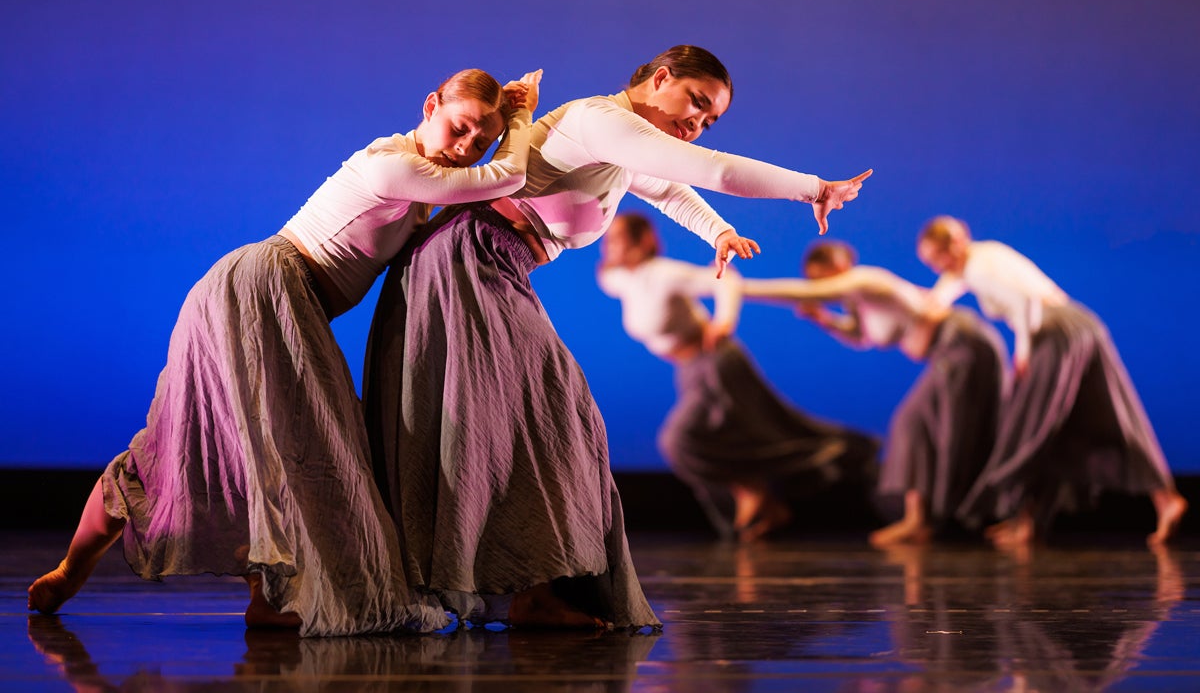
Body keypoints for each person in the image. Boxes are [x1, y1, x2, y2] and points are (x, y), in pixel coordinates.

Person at [363, 45, 873, 630]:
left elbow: (667, 187)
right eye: (696, 104)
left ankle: (532, 588)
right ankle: (530, 591)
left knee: (537, 418)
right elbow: (714, 170)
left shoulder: (619, 141)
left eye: (710, 120)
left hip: (486, 264)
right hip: (468, 261)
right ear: (660, 78)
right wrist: (814, 187)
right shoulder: (599, 121)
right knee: (550, 414)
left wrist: (720, 230)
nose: (697, 123)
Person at [27, 69, 543, 636]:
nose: (467, 146)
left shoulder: (420, 184)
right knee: (282, 449)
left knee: (251, 448)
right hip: (266, 289)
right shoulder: (392, 165)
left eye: (480, 139)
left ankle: (245, 591)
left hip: (272, 298)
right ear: (430, 106)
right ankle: (86, 570)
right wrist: (519, 119)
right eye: (460, 128)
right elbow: (505, 177)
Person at [597, 213, 878, 542]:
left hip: (716, 364)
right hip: (690, 371)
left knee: (683, 440)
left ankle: (756, 491)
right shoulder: (624, 280)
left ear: (644, 240)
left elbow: (726, 280)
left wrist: (725, 320)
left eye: (618, 238)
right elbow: (605, 275)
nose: (610, 245)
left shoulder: (664, 274)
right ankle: (763, 504)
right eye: (608, 238)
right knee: (733, 438)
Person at [917, 215, 1188, 547]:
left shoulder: (978, 267)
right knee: (1100, 416)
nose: (936, 268)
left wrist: (1023, 350)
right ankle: (1163, 500)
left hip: (1052, 333)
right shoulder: (984, 255)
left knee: (1029, 424)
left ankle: (1024, 519)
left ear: (954, 246)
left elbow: (1024, 301)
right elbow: (944, 291)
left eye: (937, 259)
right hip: (1081, 325)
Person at [740, 240, 1007, 547]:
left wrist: (740, 288)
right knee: (924, 425)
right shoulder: (859, 298)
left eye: (820, 278)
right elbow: (862, 337)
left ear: (838, 266)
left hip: (962, 344)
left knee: (917, 423)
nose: (819, 286)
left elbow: (804, 294)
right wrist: (824, 320)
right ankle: (924, 519)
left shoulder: (864, 279)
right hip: (951, 349)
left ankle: (922, 520)